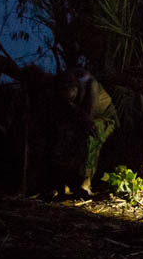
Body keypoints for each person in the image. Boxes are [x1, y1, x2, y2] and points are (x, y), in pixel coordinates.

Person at [49, 68, 117, 198]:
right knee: (64, 135)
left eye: (71, 95)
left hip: (103, 119)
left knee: (89, 137)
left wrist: (72, 107)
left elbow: (88, 118)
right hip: (80, 119)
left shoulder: (91, 84)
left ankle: (86, 183)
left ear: (75, 87)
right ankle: (62, 183)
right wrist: (68, 105)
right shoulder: (59, 94)